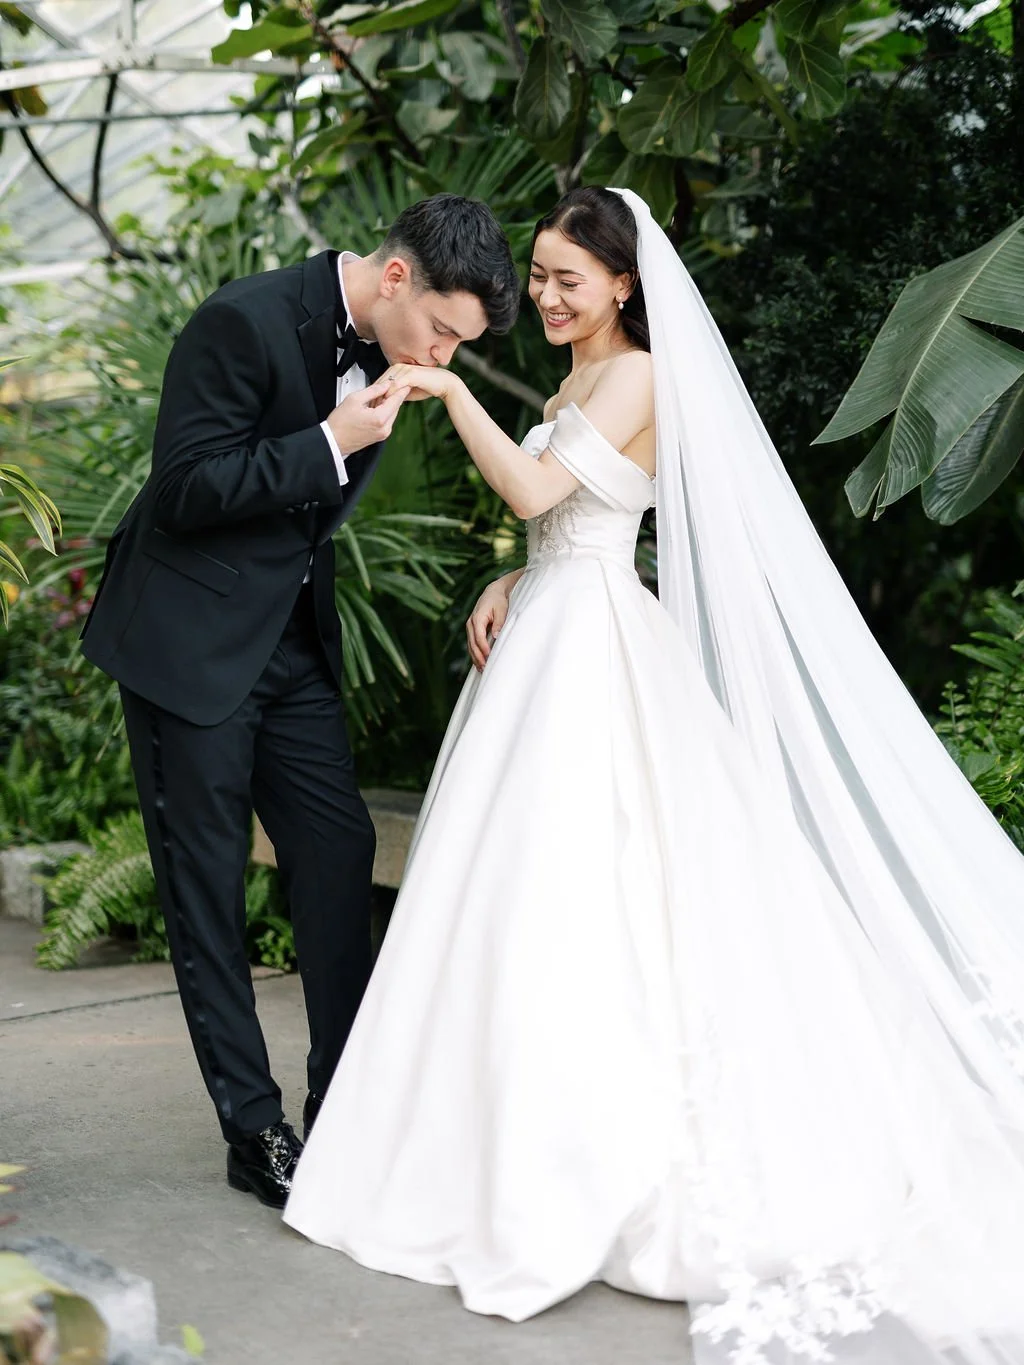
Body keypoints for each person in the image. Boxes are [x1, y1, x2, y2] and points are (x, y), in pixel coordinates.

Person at [285, 188, 1024, 1365]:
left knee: (600, 889)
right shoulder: (577, 383)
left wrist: (451, 391)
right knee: (517, 902)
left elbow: (539, 493)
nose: (545, 295)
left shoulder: (633, 376)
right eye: (538, 274)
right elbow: (568, 523)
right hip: (553, 630)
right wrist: (514, 579)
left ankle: (584, 1156)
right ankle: (483, 1146)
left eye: (566, 278)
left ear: (624, 285)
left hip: (596, 655)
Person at [80, 194, 520, 1209]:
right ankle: (253, 1130)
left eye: (459, 344)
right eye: (442, 331)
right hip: (189, 648)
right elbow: (182, 489)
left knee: (338, 849)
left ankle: (347, 1106)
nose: (443, 357)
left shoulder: (393, 352)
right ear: (396, 275)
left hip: (291, 651)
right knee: (206, 890)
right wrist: (327, 439)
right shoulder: (241, 320)